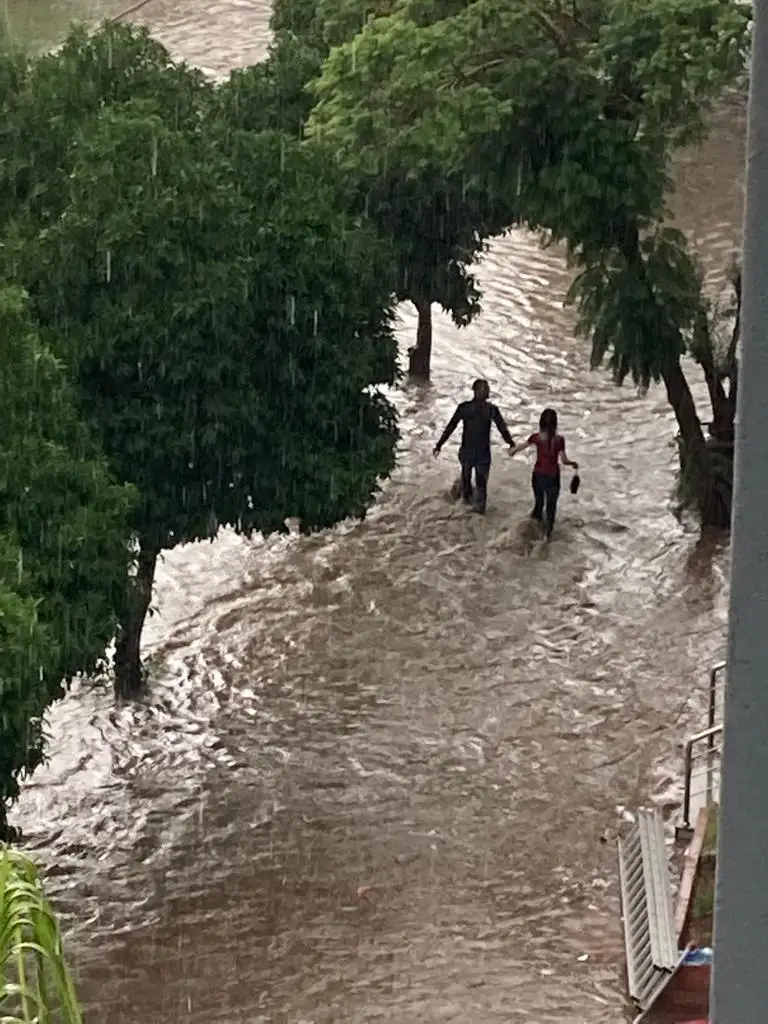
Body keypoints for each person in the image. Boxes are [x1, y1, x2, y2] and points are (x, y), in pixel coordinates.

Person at [433, 379, 515, 514]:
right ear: (476, 391)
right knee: (477, 488)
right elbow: (451, 427)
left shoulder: (469, 408)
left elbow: (451, 427)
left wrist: (511, 443)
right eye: (484, 389)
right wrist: (511, 443)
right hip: (477, 454)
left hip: (472, 453)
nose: (486, 391)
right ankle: (474, 516)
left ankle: (466, 514)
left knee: (472, 487)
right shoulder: (487, 410)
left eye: (486, 389)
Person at [508, 408, 578, 539]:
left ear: (541, 423)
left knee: (539, 505)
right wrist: (573, 464)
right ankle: (547, 538)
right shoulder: (559, 440)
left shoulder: (536, 437)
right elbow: (564, 460)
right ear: (555, 423)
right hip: (552, 478)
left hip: (538, 476)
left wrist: (512, 451)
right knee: (551, 509)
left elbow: (520, 447)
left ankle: (531, 532)